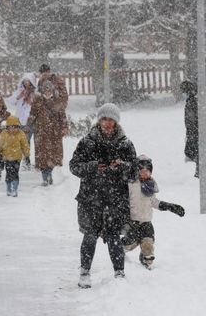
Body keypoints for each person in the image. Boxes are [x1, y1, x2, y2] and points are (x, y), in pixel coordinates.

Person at [69, 103, 138, 288]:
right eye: (104, 119)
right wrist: (92, 167)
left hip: (115, 199)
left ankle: (119, 273)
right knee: (89, 236)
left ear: (116, 122)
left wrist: (122, 166)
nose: (107, 123)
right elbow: (74, 166)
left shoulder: (125, 144)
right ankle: (84, 272)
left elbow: (135, 173)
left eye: (111, 120)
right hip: (90, 198)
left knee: (114, 236)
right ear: (99, 120)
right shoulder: (87, 142)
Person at [122, 155, 185, 269]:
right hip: (132, 223)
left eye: (148, 171)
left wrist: (170, 207)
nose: (145, 173)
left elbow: (153, 201)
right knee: (128, 244)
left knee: (148, 246)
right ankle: (119, 255)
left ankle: (146, 262)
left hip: (146, 223)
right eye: (142, 171)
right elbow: (124, 201)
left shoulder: (150, 185)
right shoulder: (131, 185)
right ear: (137, 171)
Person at [27, 80, 68, 186]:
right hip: (41, 133)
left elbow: (62, 117)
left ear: (52, 90)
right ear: (42, 90)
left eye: (49, 90)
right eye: (46, 89)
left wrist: (64, 127)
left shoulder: (57, 101)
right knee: (42, 157)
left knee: (53, 156)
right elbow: (32, 115)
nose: (47, 92)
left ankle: (49, 174)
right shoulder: (38, 101)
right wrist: (28, 126)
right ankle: (45, 178)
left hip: (54, 133)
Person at [180, 80, 206, 177]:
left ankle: (205, 167)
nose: (182, 94)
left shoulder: (193, 101)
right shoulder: (192, 100)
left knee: (190, 151)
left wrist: (197, 129)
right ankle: (201, 169)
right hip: (194, 131)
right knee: (196, 151)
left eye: (183, 91)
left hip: (196, 132)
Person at [0, 115, 30, 197]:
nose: (12, 129)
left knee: (15, 173)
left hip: (17, 158)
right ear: (7, 127)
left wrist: (26, 153)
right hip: (7, 158)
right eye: (10, 127)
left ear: (18, 126)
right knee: (8, 173)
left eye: (15, 127)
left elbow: (25, 144)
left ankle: (15, 188)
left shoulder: (21, 134)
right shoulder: (4, 134)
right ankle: (9, 187)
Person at [7, 73, 36, 169]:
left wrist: (31, 101)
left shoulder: (34, 93)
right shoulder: (19, 91)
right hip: (20, 121)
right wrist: (19, 96)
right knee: (23, 141)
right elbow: (11, 102)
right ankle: (25, 160)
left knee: (31, 141)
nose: (26, 83)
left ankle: (31, 161)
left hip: (31, 121)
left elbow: (37, 105)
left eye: (28, 82)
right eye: (25, 81)